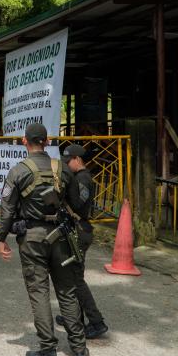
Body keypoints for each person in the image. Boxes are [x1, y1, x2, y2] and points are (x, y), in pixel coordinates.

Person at [0, 123, 89, 356]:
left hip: (32, 238)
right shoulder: (63, 170)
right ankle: (79, 348)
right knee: (67, 290)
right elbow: (78, 204)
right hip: (61, 236)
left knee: (39, 292)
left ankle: (48, 351)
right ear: (47, 142)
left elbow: (6, 208)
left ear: (25, 142)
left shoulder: (18, 171)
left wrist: (1, 237)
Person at [55, 144, 108, 339]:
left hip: (80, 231)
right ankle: (75, 316)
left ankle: (96, 322)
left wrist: (66, 189)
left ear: (77, 159)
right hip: (75, 230)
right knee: (72, 276)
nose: (67, 165)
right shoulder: (77, 177)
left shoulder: (83, 178)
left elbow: (79, 204)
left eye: (69, 162)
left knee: (76, 280)